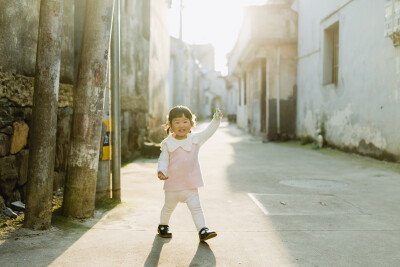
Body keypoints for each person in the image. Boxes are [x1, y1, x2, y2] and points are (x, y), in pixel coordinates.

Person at [157, 105, 222, 242]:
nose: (181, 125)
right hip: (173, 185)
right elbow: (163, 160)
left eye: (185, 121)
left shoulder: (195, 139)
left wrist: (216, 120)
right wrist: (161, 171)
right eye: (177, 122)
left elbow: (208, 131)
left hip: (191, 185)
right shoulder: (168, 143)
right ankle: (163, 226)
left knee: (197, 208)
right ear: (170, 125)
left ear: (191, 123)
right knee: (168, 207)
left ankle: (202, 230)